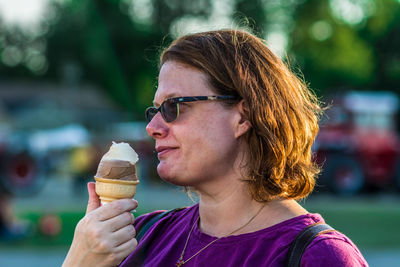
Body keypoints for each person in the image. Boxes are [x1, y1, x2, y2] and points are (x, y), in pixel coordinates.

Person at [62, 29, 368, 267]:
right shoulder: (140, 238)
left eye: (173, 106)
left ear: (243, 116)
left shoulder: (317, 257)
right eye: (154, 110)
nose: (152, 127)